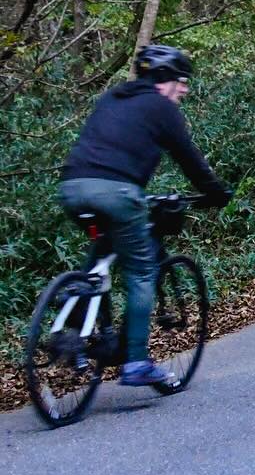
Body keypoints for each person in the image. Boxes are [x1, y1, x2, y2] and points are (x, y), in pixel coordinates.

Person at [58, 44, 233, 387]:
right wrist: (215, 192)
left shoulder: (111, 98)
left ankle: (80, 332)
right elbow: (188, 156)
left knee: (97, 266)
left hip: (73, 188)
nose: (184, 89)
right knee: (141, 271)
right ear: (164, 78)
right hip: (119, 193)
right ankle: (136, 362)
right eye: (181, 81)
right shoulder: (161, 107)